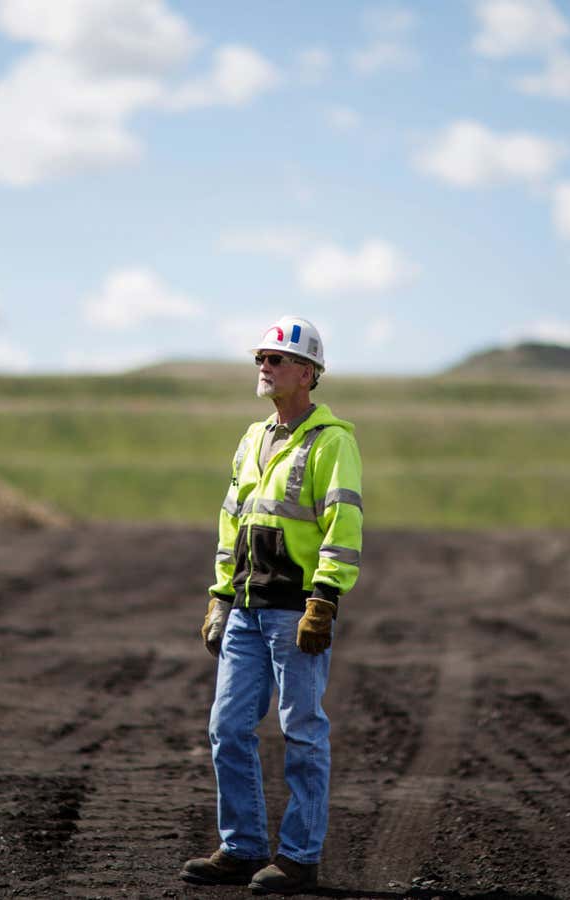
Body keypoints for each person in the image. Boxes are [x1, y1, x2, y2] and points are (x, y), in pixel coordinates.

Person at [180, 316, 364, 895]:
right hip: (246, 609)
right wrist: (219, 597)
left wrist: (324, 601)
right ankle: (241, 848)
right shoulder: (252, 439)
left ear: (308, 373)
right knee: (227, 727)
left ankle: (299, 858)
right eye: (261, 357)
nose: (265, 365)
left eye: (277, 359)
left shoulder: (333, 442)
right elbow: (232, 522)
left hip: (295, 611)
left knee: (302, 732)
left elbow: (344, 524)